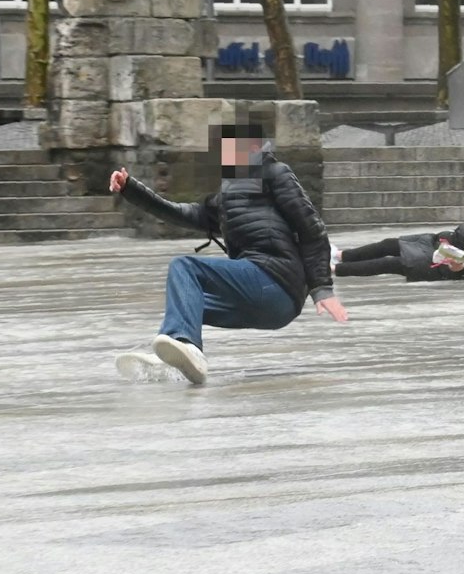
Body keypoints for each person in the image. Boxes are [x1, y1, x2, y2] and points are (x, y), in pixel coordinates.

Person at [110, 122, 346, 385]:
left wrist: (322, 287)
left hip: (276, 280)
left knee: (184, 267)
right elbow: (180, 213)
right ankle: (174, 354)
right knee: (186, 300)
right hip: (267, 305)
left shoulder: (275, 173)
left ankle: (187, 347)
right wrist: (130, 189)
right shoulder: (226, 196)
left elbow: (311, 229)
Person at [335, 190, 464, 281]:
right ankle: (342, 256)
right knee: (390, 244)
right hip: (437, 242)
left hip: (444, 265)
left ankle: (334, 269)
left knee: (393, 263)